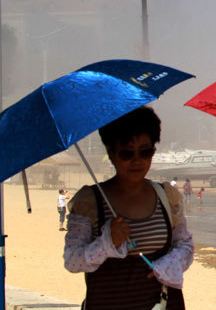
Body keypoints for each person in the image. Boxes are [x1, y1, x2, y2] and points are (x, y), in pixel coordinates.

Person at [64, 106, 193, 310]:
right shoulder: (90, 202)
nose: (137, 160)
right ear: (111, 152)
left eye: (145, 152)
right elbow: (72, 261)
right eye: (127, 153)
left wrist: (167, 264)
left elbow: (184, 245)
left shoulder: (167, 197)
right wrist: (107, 242)